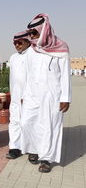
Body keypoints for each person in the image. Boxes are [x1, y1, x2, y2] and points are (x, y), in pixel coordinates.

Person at [21, 13, 71, 173]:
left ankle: (46, 159)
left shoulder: (61, 48)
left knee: (48, 126)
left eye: (33, 33)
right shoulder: (31, 51)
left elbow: (65, 75)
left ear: (43, 31)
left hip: (52, 96)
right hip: (31, 95)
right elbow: (27, 76)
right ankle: (34, 149)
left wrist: (65, 98)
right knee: (27, 123)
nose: (31, 36)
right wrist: (24, 95)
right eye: (29, 33)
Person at [6, 31, 31, 159]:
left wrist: (26, 95)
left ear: (28, 41)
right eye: (15, 43)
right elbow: (13, 78)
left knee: (28, 122)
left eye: (20, 42)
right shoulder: (13, 57)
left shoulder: (33, 55)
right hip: (15, 97)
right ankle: (14, 148)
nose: (17, 45)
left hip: (29, 97)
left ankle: (31, 148)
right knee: (14, 121)